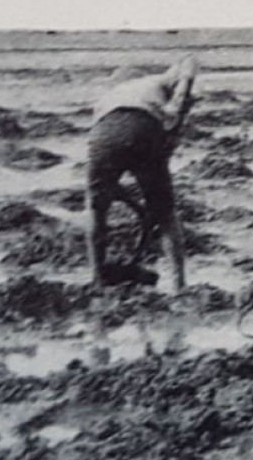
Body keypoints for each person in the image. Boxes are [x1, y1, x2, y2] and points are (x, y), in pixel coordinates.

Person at [85, 55, 198, 294]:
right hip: (145, 126)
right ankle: (179, 286)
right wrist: (178, 101)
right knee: (167, 215)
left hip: (103, 133)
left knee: (96, 208)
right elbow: (189, 60)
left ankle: (96, 280)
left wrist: (138, 207)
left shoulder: (107, 98)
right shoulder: (156, 81)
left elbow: (111, 184)